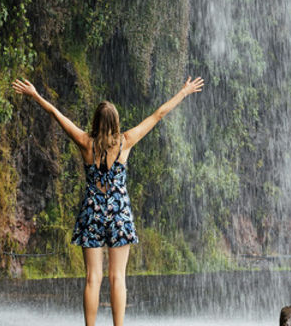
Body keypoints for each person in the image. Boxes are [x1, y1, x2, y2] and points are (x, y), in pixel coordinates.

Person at [12, 75, 206, 326]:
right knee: (118, 277)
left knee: (93, 277)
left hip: (92, 212)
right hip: (118, 214)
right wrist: (184, 92)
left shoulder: (85, 142)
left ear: (95, 121)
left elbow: (56, 115)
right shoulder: (125, 142)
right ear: (115, 122)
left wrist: (35, 95)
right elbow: (158, 115)